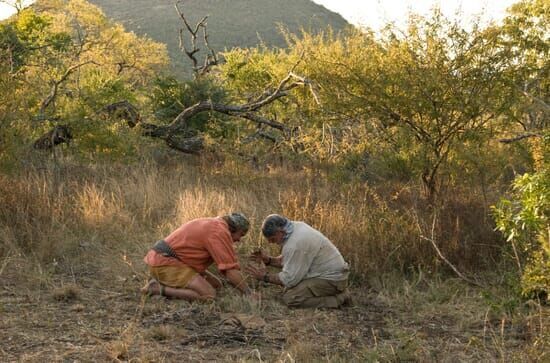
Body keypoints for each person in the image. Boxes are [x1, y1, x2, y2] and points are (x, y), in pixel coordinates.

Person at [142, 212, 254, 301]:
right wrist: (249, 293)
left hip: (168, 260)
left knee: (216, 285)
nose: (239, 239)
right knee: (209, 295)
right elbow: (230, 270)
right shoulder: (219, 232)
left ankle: (165, 282)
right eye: (241, 234)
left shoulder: (216, 224)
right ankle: (157, 289)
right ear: (233, 229)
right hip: (165, 262)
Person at [246, 214, 351, 308]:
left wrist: (264, 277)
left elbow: (289, 280)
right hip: (329, 274)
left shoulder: (296, 244)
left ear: (280, 232)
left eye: (272, 239)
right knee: (289, 291)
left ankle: (339, 299)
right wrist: (268, 260)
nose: (270, 242)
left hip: (332, 279)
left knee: (291, 298)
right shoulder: (296, 227)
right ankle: (336, 294)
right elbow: (291, 261)